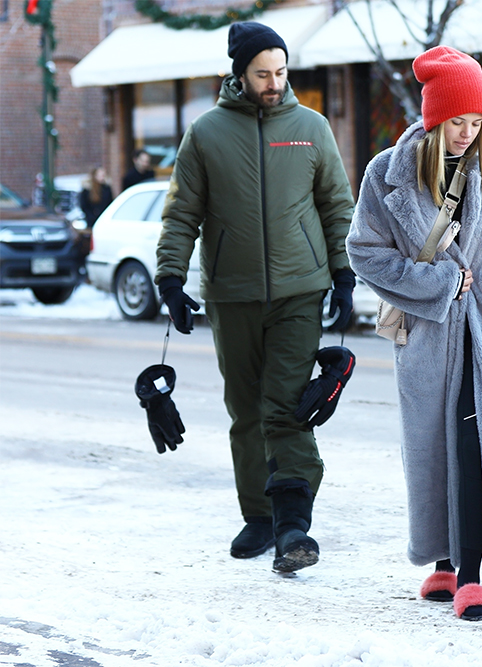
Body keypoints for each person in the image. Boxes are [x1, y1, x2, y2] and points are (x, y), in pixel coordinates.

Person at [346, 46, 482, 621]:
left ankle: (471, 574)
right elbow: (364, 253)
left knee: (477, 448)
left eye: (477, 122)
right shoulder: (385, 176)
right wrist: (437, 283)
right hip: (427, 339)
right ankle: (443, 563)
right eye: (458, 122)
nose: (468, 133)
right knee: (432, 448)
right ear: (433, 118)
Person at [154, 21, 356, 573]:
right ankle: (259, 517)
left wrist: (343, 275)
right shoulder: (206, 133)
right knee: (245, 410)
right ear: (240, 73)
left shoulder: (311, 128)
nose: (273, 82)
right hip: (231, 294)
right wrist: (170, 280)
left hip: (300, 291)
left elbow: (337, 207)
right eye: (263, 73)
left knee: (286, 405)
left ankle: (293, 522)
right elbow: (181, 214)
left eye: (281, 71)